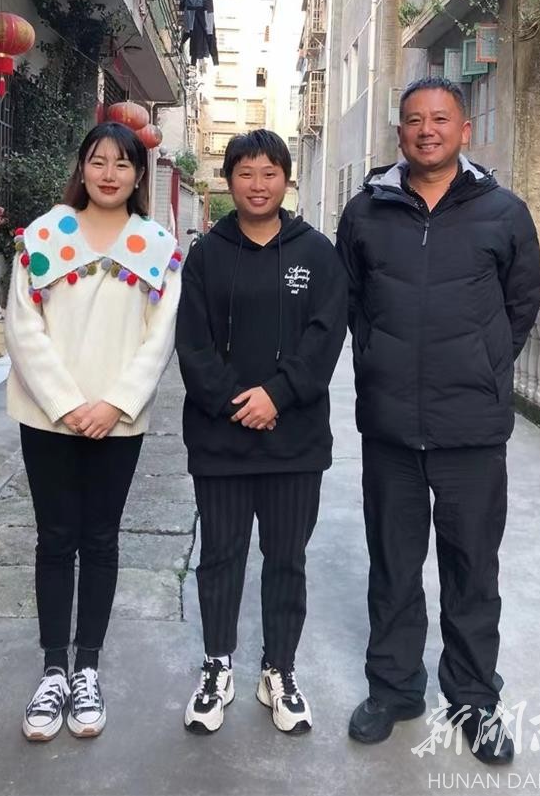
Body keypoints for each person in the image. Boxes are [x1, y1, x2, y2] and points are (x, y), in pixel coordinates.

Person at [336, 78, 540, 764]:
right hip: (390, 427)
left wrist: (482, 364)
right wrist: (378, 360)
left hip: (472, 429)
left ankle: (474, 699)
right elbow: (351, 300)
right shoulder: (366, 211)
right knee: (393, 566)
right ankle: (393, 690)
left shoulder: (504, 212)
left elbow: (521, 303)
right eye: (414, 120)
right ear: (399, 132)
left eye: (441, 119)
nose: (427, 130)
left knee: (472, 570)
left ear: (464, 130)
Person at [5, 121, 181, 742]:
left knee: (101, 539)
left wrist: (116, 404)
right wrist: (65, 403)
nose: (109, 173)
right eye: (98, 161)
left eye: (122, 164)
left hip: (118, 422)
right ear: (82, 167)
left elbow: (160, 337)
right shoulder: (44, 236)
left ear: (139, 175)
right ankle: (54, 669)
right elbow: (23, 327)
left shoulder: (156, 246)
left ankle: (87, 668)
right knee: (55, 539)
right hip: (47, 417)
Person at [176, 129, 347, 735]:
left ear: (286, 180)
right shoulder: (206, 255)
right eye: (245, 173)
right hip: (220, 441)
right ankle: (217, 665)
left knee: (286, 559)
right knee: (220, 556)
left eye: (269, 173)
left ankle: (280, 669)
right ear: (228, 180)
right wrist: (236, 403)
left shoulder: (317, 253)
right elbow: (193, 344)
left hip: (294, 442)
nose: (257, 185)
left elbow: (326, 335)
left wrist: (277, 395)